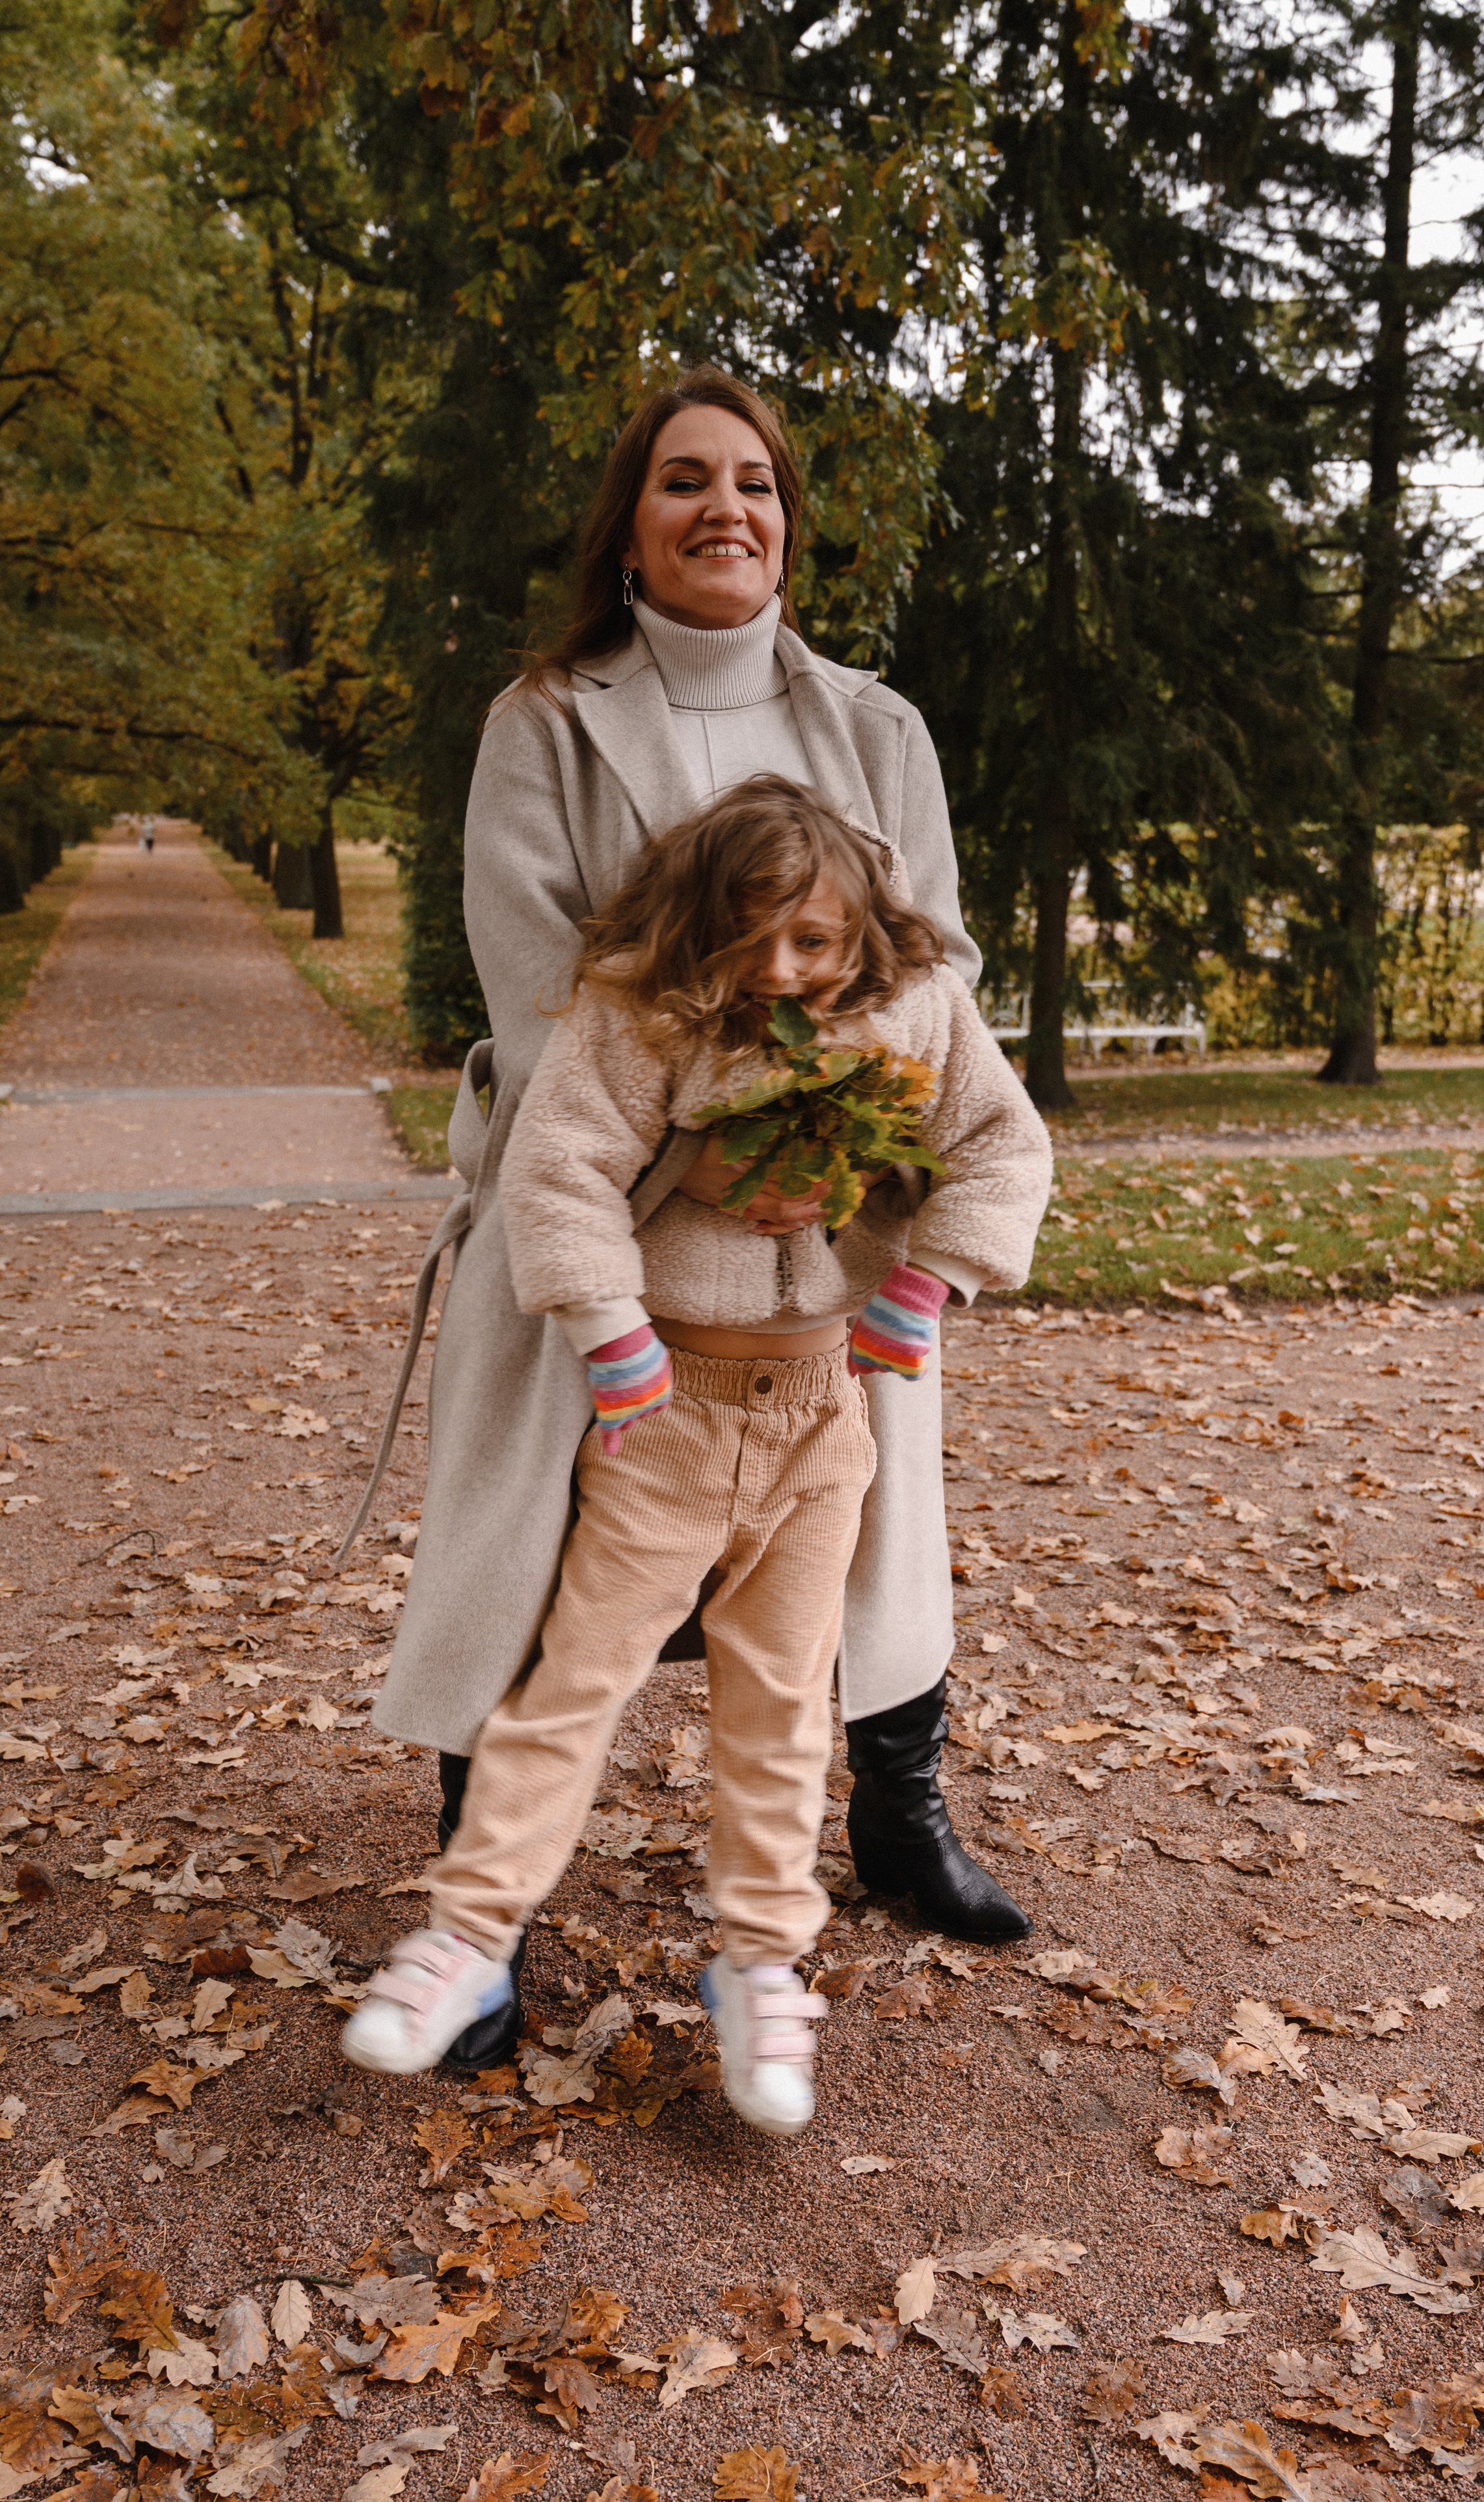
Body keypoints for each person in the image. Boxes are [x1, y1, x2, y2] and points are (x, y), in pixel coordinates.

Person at [349, 364, 1039, 2078]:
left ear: (788, 519)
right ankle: (481, 1938)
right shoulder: (549, 719)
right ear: (632, 525)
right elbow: (536, 976)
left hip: (838, 1229)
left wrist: (846, 1146)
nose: (724, 506)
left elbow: (926, 958)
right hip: (604, 1197)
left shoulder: (875, 728)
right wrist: (719, 1135)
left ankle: (895, 1819)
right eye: (683, 482)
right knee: (535, 1557)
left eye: (755, 483)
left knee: (850, 1546)